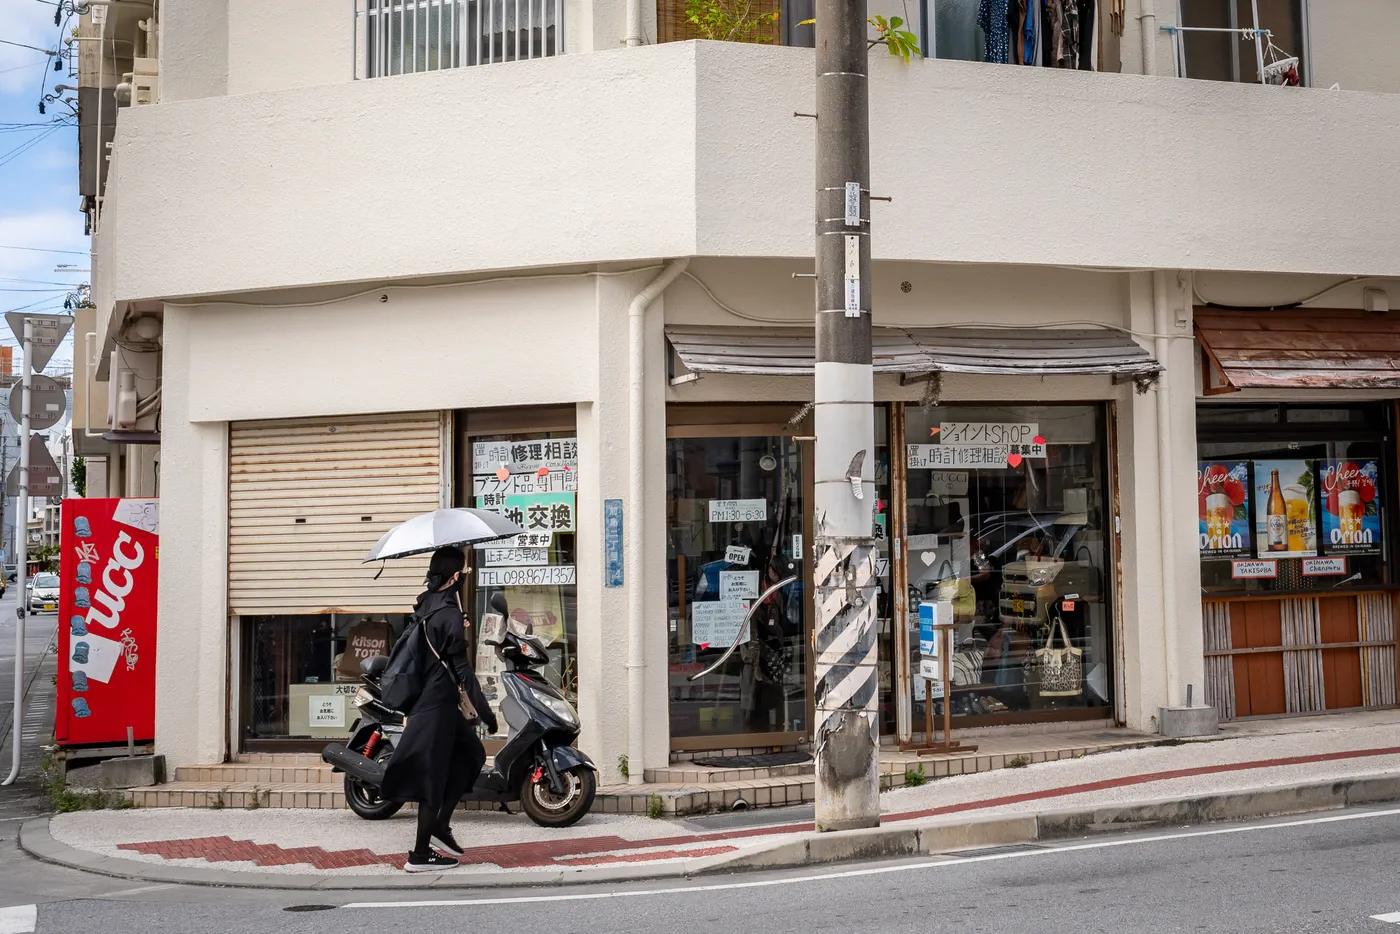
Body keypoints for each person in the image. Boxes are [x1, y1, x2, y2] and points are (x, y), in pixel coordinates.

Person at [380, 546, 498, 872]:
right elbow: (463, 672)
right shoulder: (447, 613)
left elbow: (438, 636)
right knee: (432, 778)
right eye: (464, 574)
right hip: (435, 706)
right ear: (457, 576)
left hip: (437, 703)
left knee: (472, 755)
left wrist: (456, 624)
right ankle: (419, 855)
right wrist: (487, 714)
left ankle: (441, 826)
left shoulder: (428, 603)